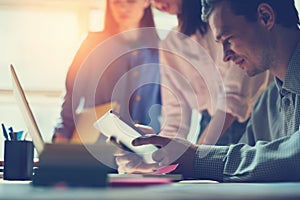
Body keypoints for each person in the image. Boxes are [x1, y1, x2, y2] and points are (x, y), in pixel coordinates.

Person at [117, 0, 300, 182]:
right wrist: (159, 162)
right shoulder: (267, 105)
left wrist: (196, 157)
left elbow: (294, 156)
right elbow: (245, 168)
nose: (225, 56)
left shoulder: (262, 106)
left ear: (265, 17)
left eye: (229, 39)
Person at [152, 0, 271, 145]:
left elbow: (234, 98)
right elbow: (174, 114)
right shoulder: (170, 45)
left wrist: (198, 153)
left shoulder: (227, 22)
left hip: (255, 122)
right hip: (209, 126)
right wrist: (161, 157)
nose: (156, 2)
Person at [52, 0, 161, 143]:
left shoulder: (161, 51)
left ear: (147, 2)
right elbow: (73, 92)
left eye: (131, 1)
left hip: (142, 148)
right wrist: (63, 132)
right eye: (116, 2)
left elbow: (168, 105)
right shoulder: (93, 43)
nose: (123, 7)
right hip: (96, 144)